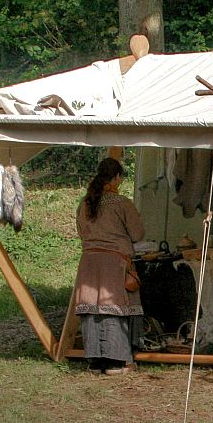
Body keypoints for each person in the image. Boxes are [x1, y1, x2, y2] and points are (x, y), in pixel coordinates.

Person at [72, 158, 145, 375]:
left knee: (92, 309)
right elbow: (138, 234)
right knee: (114, 308)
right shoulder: (122, 203)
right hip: (114, 263)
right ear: (116, 178)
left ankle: (95, 362)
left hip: (89, 263)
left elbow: (81, 233)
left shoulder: (84, 203)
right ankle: (117, 361)